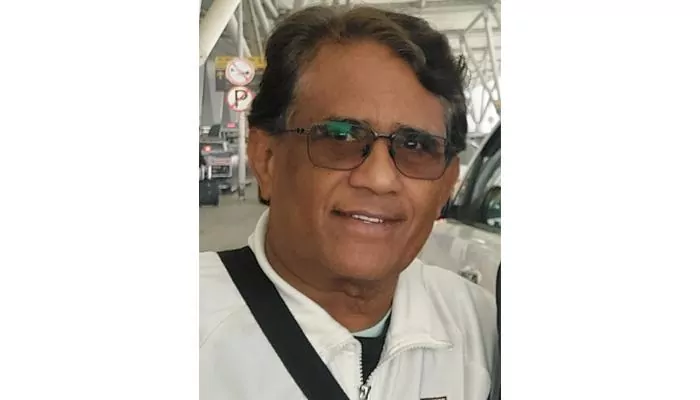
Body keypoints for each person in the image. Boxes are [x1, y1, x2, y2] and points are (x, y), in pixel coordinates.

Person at [200, 5, 499, 400]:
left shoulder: (484, 331)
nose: (379, 179)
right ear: (266, 159)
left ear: (446, 183)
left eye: (415, 146)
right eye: (339, 137)